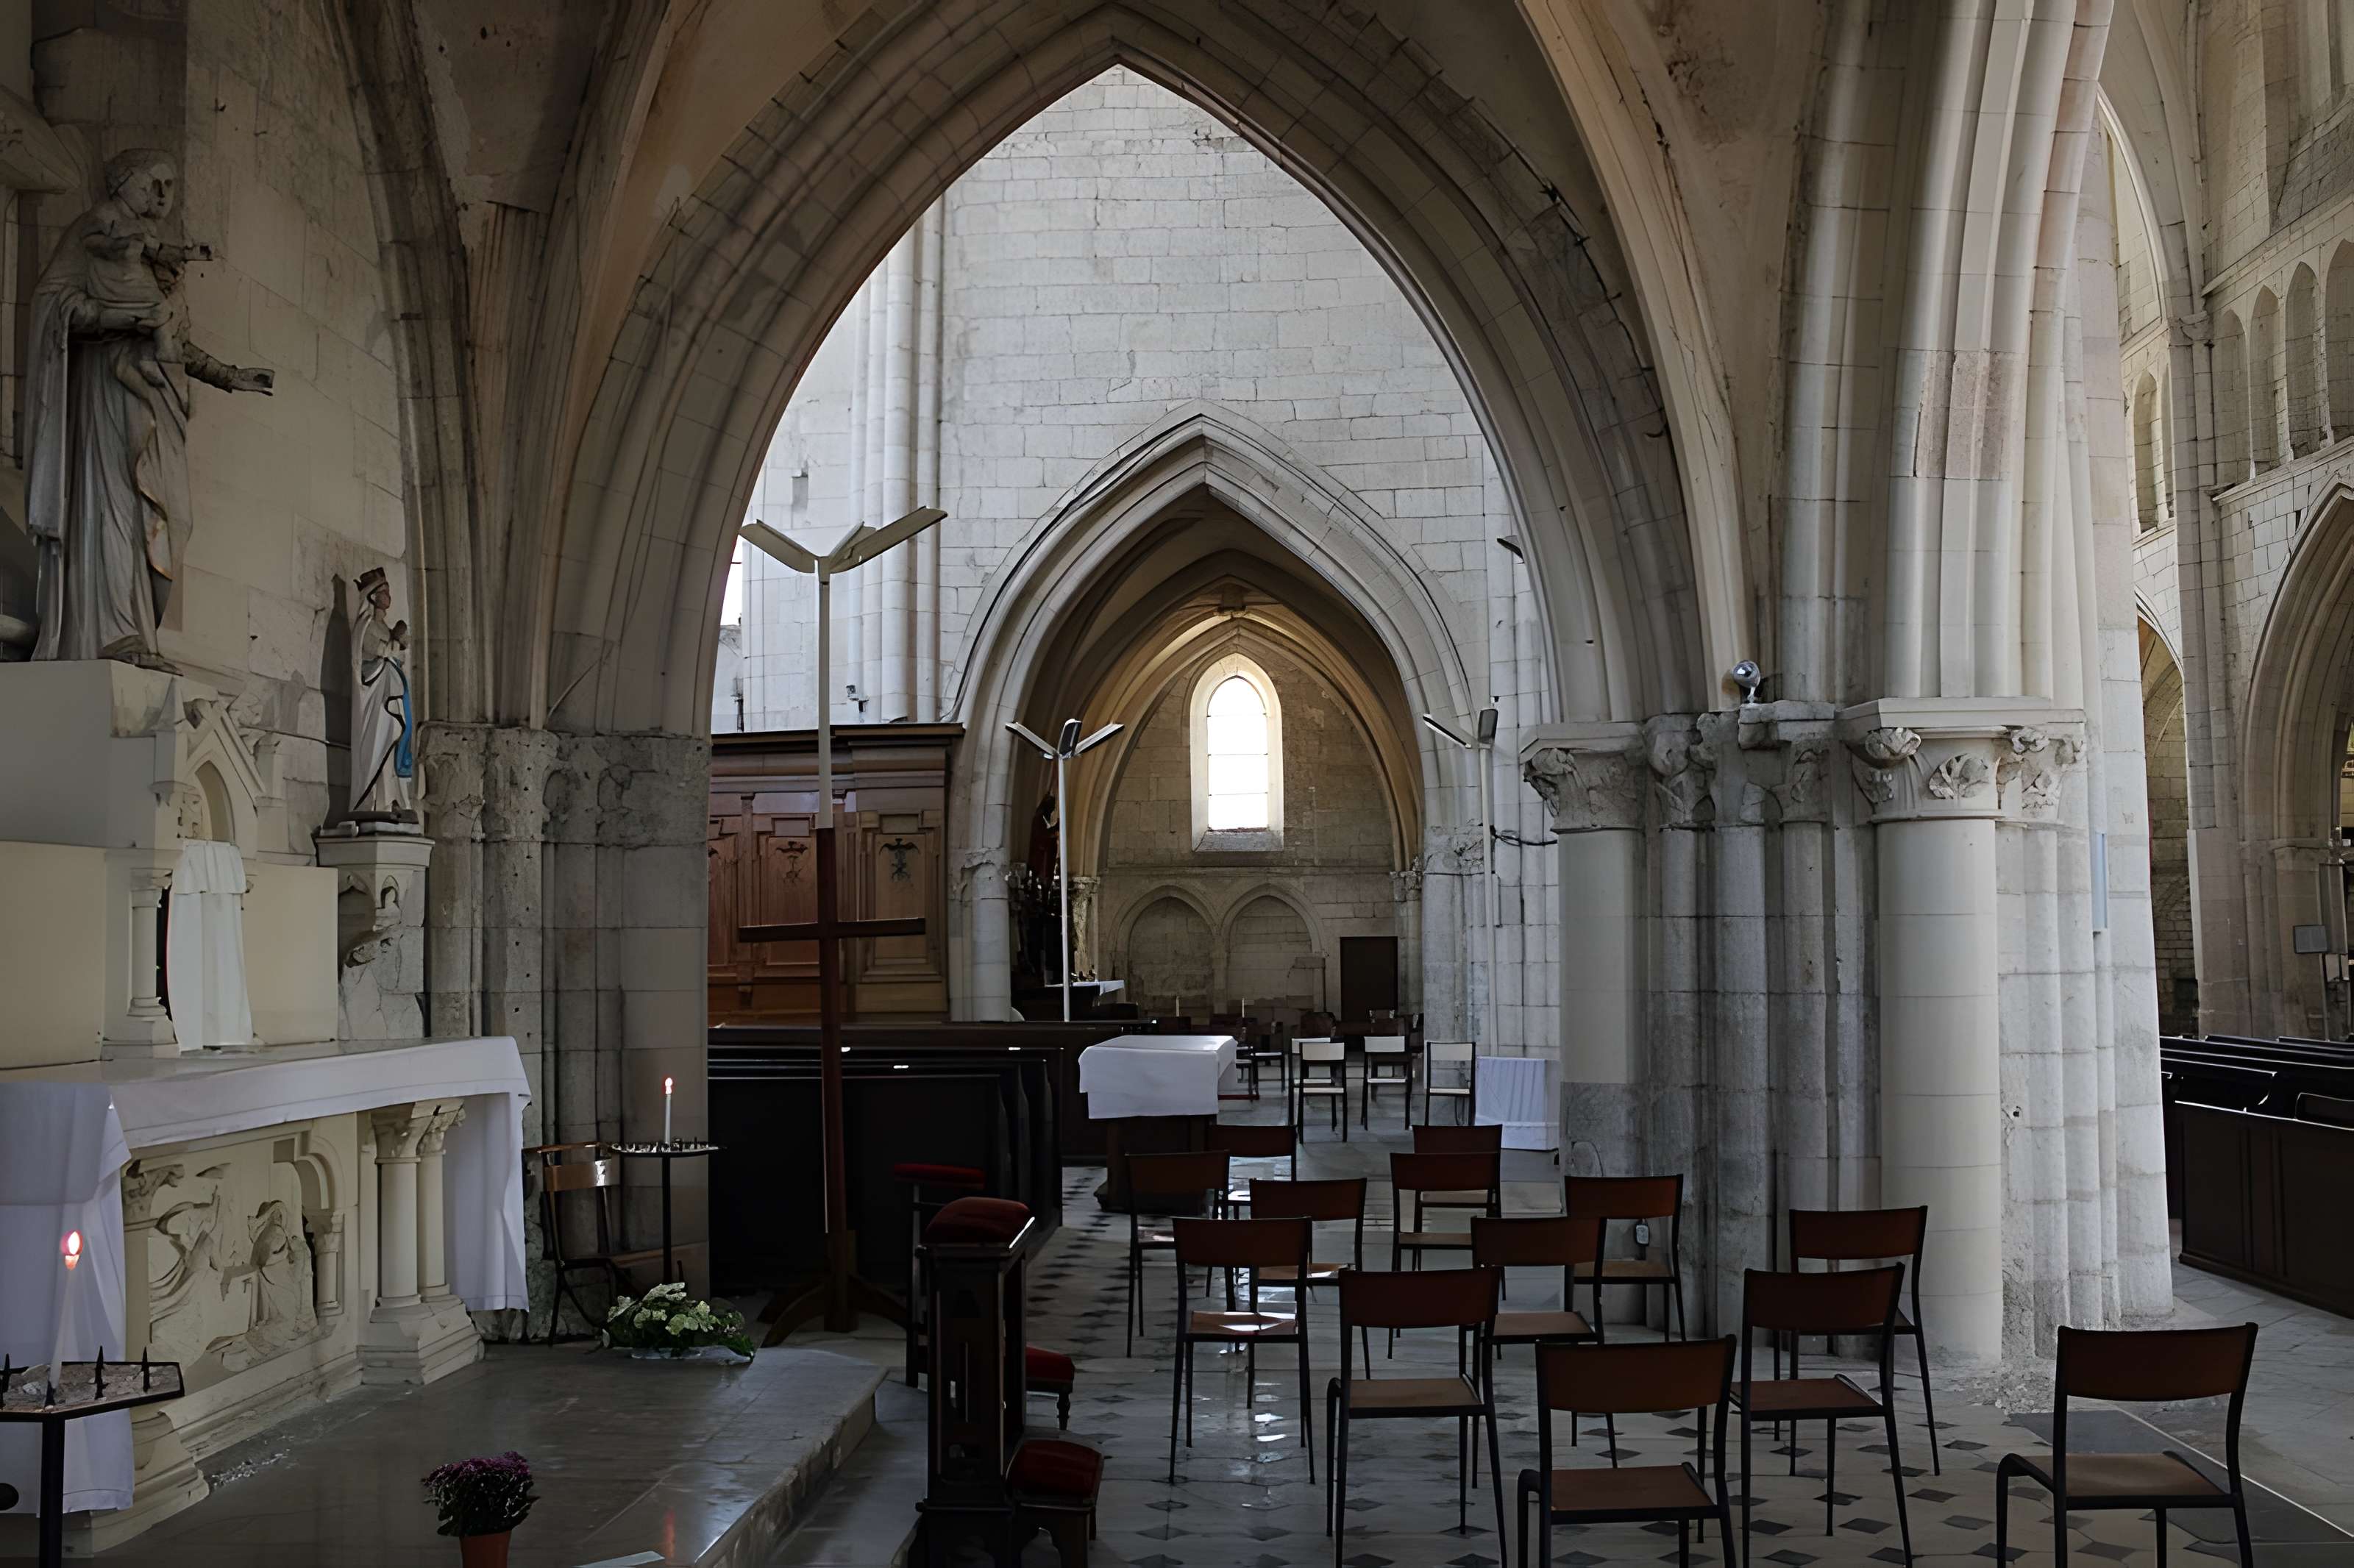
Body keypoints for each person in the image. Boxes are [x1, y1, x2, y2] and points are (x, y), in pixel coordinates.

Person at [26, 149, 273, 665]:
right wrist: (127, 322)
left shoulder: (154, 262)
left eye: (171, 186)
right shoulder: (94, 234)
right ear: (121, 182)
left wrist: (230, 376)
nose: (163, 196)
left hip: (157, 401)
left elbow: (175, 342)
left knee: (172, 519)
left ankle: (139, 629)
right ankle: (113, 633)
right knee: (116, 507)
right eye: (152, 183)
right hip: (109, 391)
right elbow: (55, 305)